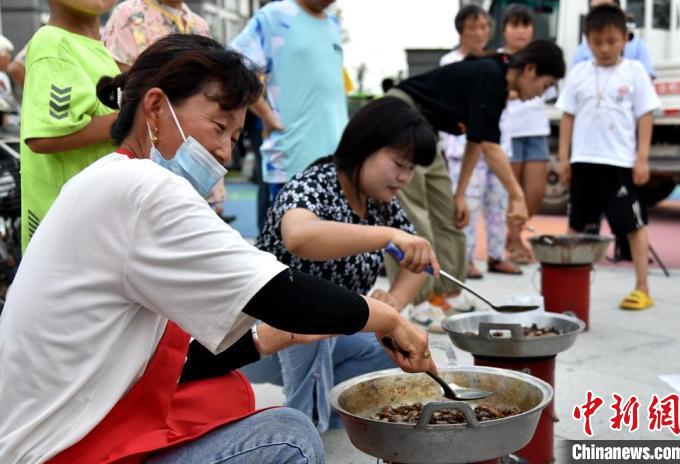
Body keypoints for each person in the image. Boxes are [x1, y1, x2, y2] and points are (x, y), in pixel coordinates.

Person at [0, 34, 435, 463]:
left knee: (231, 391)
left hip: (56, 431)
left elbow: (176, 362)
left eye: (236, 135)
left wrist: (277, 336)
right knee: (289, 437)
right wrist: (390, 317)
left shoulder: (105, 179)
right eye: (218, 125)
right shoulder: (144, 188)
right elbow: (281, 288)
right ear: (155, 108)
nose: (225, 151)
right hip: (59, 451)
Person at [242, 97, 439, 429]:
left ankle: (331, 406)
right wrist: (385, 235)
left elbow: (420, 261)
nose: (405, 177)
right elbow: (300, 238)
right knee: (313, 318)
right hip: (255, 336)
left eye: (411, 168)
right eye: (399, 163)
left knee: (394, 348)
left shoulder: (378, 202)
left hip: (326, 336)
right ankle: (303, 429)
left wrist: (394, 304)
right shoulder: (314, 184)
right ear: (365, 147)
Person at [384, 40, 566, 325]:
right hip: (400, 118)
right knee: (415, 219)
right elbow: (492, 148)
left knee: (451, 218)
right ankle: (420, 303)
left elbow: (477, 141)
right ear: (530, 69)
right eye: (544, 86)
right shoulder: (492, 75)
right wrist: (517, 196)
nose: (538, 96)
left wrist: (459, 194)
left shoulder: (499, 83)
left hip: (426, 131)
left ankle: (449, 294)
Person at [556, 5, 660, 310]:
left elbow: (645, 116)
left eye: (612, 41)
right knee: (575, 227)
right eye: (597, 42)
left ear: (625, 39)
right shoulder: (579, 73)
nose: (604, 48)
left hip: (619, 164)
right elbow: (567, 117)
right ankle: (566, 288)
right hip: (584, 161)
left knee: (633, 225)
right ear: (587, 41)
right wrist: (564, 158)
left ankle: (642, 287)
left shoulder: (635, 71)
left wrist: (642, 158)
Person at [102, 0, 228, 217]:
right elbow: (126, 90)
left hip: (195, 159)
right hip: (148, 159)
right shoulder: (128, 14)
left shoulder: (198, 24)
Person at [229, 0, 348, 228]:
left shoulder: (333, 22)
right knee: (286, 253)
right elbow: (234, 65)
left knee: (329, 252)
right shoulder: (275, 15)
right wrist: (267, 115)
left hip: (335, 161)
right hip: (291, 160)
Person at [19, 0, 120, 251]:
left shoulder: (94, 47)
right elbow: (44, 138)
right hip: (66, 232)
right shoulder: (53, 42)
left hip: (91, 221)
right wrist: (129, 119)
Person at [441, 4, 521, 279]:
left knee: (497, 203)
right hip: (463, 146)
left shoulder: (499, 61)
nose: (479, 32)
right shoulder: (451, 61)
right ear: (461, 30)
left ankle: (497, 255)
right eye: (473, 27)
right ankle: (466, 259)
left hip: (496, 145)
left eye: (484, 26)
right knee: (467, 206)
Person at [501, 4, 554, 264]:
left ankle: (514, 235)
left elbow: (549, 93)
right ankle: (514, 242)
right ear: (504, 30)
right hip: (509, 132)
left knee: (535, 192)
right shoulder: (500, 59)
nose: (520, 31)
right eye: (515, 25)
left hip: (536, 131)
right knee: (513, 192)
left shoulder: (541, 59)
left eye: (525, 25)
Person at [572, 0, 656, 78]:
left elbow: (647, 78)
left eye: (606, 9)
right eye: (595, 10)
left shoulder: (638, 47)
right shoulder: (581, 51)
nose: (601, 15)